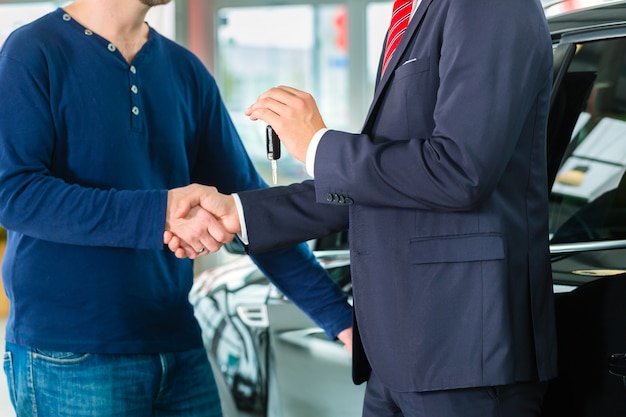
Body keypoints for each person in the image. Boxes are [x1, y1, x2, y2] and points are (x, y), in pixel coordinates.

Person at [166, 0, 559, 415]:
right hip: (395, 358)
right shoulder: (413, 14)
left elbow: (461, 171)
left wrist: (317, 144)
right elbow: (386, 186)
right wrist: (238, 211)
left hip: (464, 356)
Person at [0, 1, 353, 416]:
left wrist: (340, 320)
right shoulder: (32, 51)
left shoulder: (185, 70)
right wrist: (159, 212)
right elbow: (13, 191)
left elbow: (250, 212)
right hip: (70, 354)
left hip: (178, 344)